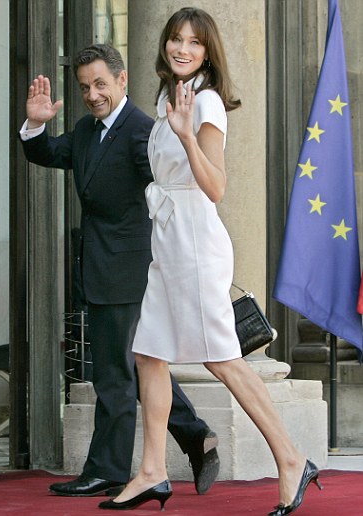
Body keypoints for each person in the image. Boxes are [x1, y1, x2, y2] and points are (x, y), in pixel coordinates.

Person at [98, 8, 322, 514]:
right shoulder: (169, 97)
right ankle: (152, 470)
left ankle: (292, 459)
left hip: (196, 242)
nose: (183, 48)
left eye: (194, 42)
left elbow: (216, 186)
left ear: (207, 52)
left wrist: (184, 135)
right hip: (168, 241)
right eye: (176, 39)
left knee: (222, 359)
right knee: (148, 352)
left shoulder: (207, 101)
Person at [20, 43, 220, 497]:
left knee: (114, 371)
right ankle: (195, 434)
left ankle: (108, 469)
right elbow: (48, 153)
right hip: (102, 266)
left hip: (130, 268)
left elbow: (174, 190)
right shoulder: (87, 130)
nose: (92, 95)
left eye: (100, 84)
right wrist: (36, 124)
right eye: (84, 87)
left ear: (122, 80)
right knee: (135, 363)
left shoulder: (141, 131)